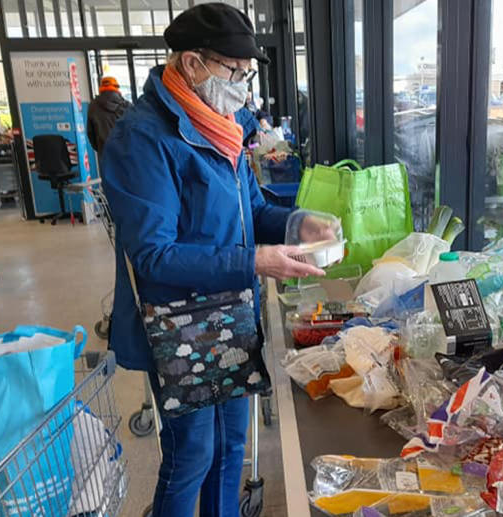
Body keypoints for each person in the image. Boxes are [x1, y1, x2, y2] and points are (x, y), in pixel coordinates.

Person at [100, 5, 336, 516]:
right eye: (235, 71)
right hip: (179, 322)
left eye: (247, 74)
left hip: (232, 314)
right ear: (192, 63)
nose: (243, 86)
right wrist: (254, 260)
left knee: (232, 446)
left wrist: (298, 224)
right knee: (192, 454)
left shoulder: (221, 127)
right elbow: (153, 255)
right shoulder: (144, 138)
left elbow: (250, 208)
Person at [86, 76, 132, 157]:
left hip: (105, 153)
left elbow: (90, 133)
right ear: (116, 88)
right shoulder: (127, 106)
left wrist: (100, 148)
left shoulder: (93, 106)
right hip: (125, 152)